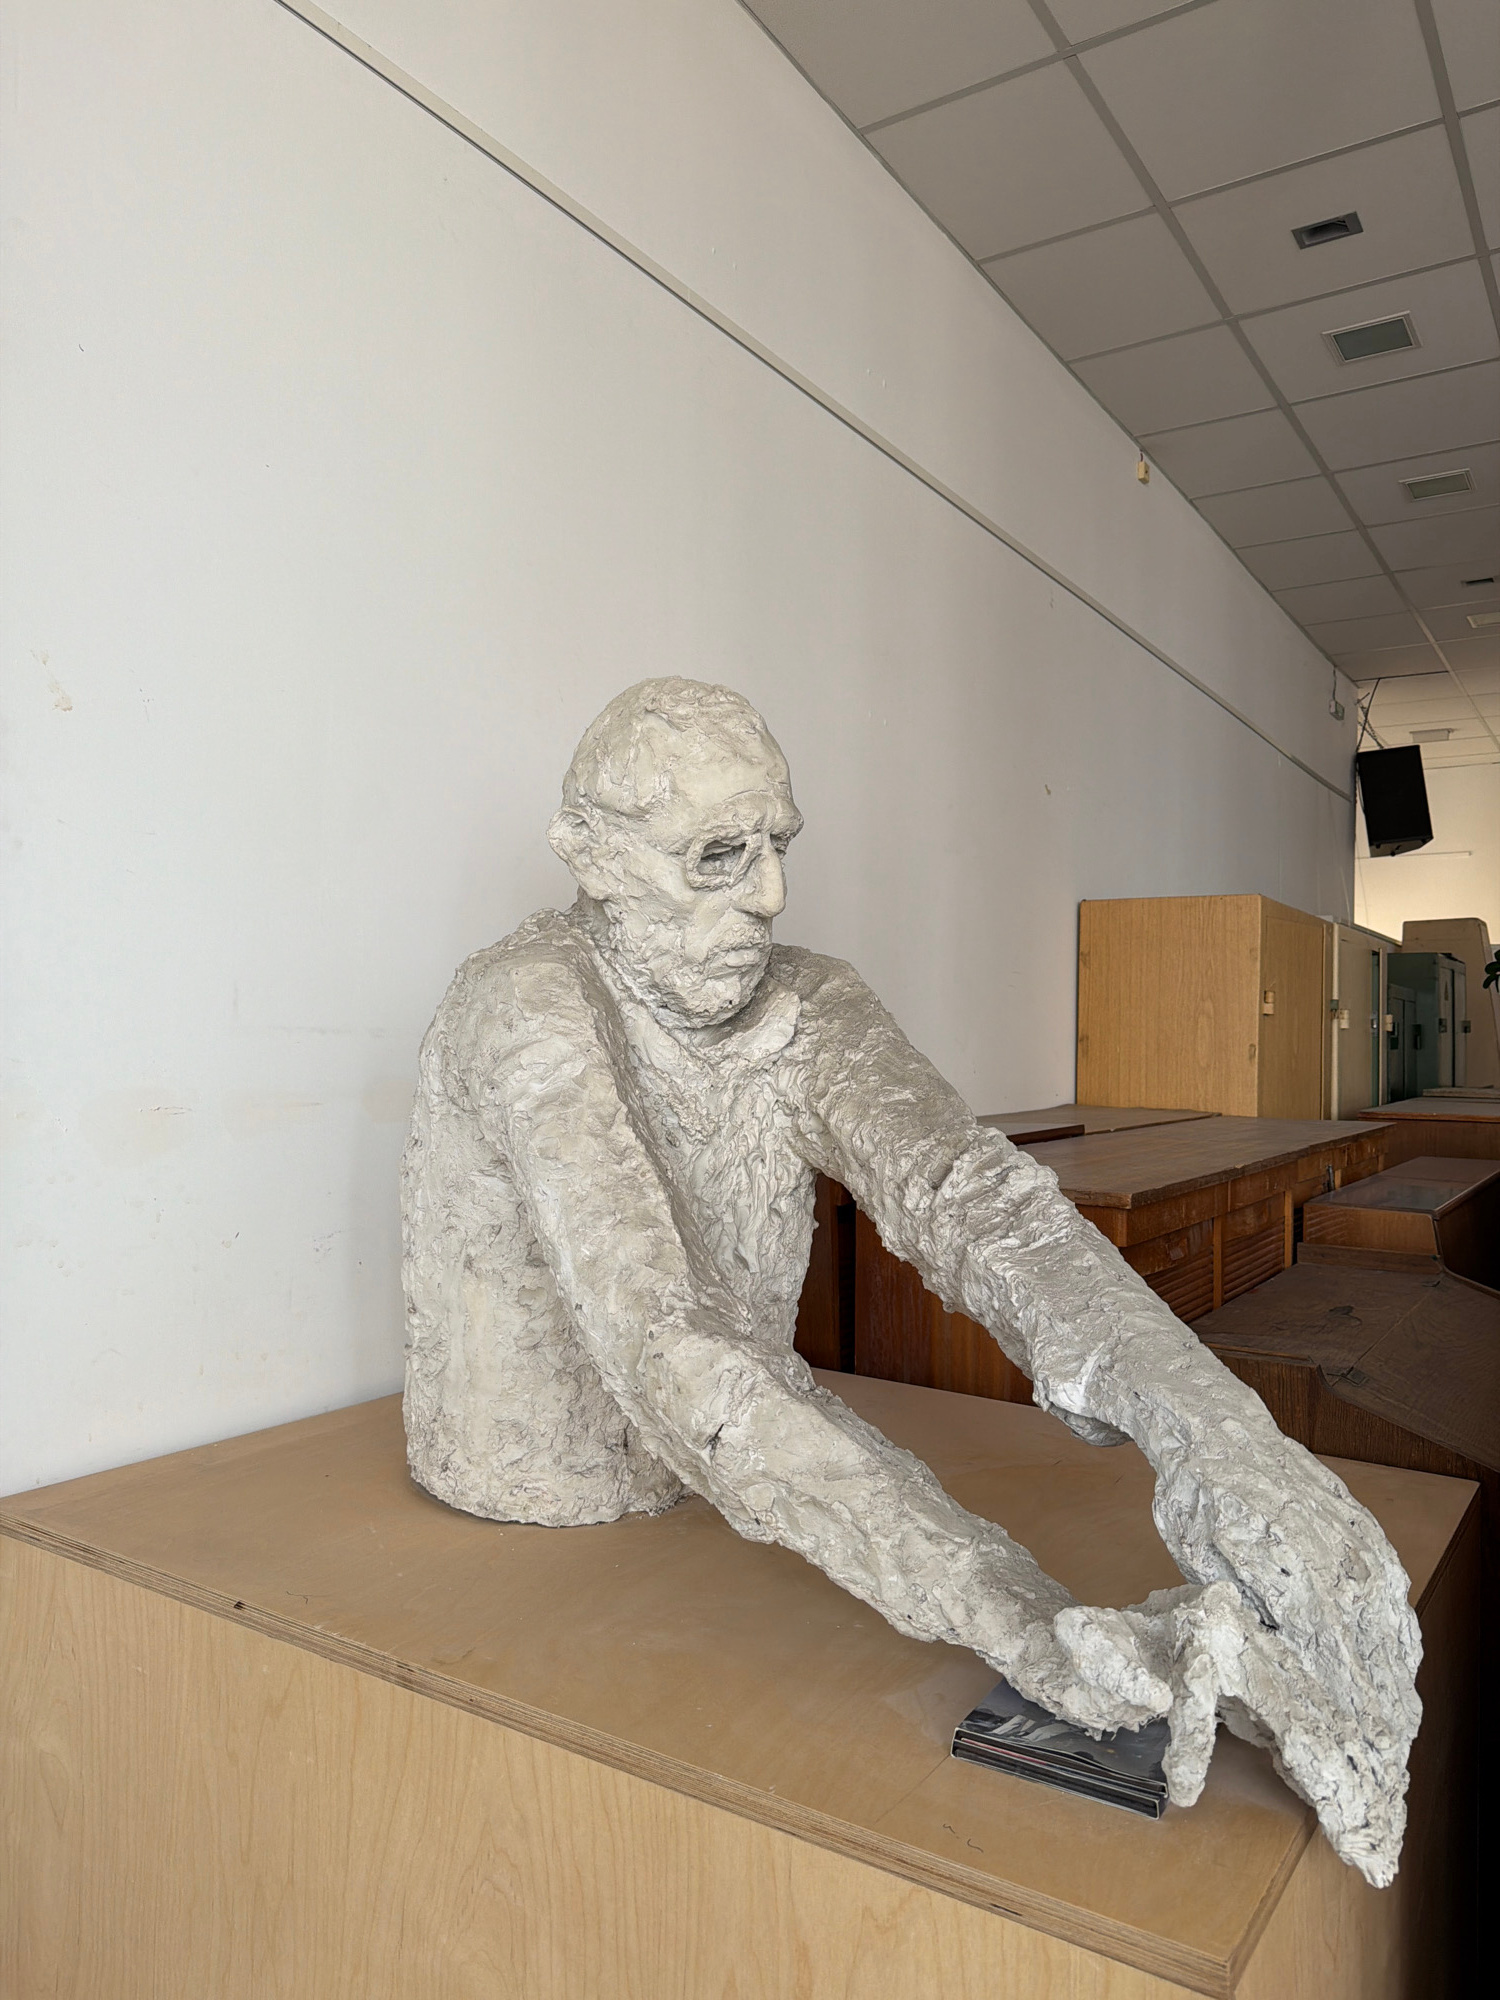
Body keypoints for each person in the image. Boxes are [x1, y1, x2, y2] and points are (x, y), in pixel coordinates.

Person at [402, 678, 1419, 1885]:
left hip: (698, 1475)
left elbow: (977, 1202)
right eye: (715, 857)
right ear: (590, 854)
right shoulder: (527, 1004)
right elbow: (665, 1346)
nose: (769, 895)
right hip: (541, 1494)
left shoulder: (804, 998)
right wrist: (1022, 1620)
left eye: (776, 847)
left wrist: (1221, 1435)